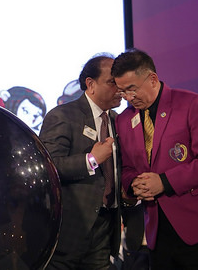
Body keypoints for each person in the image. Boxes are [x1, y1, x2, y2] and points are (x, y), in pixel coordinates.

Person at [111, 48, 198, 269]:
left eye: (132, 89)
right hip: (155, 231)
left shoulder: (192, 104)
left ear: (152, 79)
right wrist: (133, 184)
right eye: (122, 92)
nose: (128, 98)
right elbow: (127, 168)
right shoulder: (124, 120)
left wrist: (164, 182)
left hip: (196, 228)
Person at [39, 54, 123, 269]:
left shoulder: (118, 120)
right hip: (70, 229)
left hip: (106, 226)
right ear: (91, 84)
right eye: (112, 82)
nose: (119, 88)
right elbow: (49, 167)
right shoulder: (62, 115)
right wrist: (92, 159)